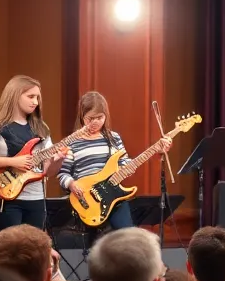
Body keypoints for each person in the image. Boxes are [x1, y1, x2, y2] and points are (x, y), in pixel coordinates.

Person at [59, 91, 169, 233]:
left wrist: (130, 166)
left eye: (100, 117)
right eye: (90, 118)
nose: (95, 122)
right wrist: (72, 184)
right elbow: (63, 174)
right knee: (94, 248)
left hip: (114, 198)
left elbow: (123, 162)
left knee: (128, 237)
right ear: (82, 116)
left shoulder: (114, 138)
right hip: (87, 201)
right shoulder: (72, 142)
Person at [0, 75, 68, 230]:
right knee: (12, 245)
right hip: (7, 197)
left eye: (37, 97)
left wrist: (58, 160)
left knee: (34, 245)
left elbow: (48, 172)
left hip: (36, 197)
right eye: (30, 97)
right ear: (15, 96)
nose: (35, 102)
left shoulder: (41, 128)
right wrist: (13, 162)